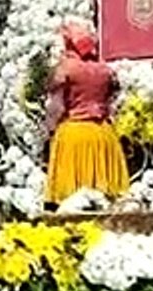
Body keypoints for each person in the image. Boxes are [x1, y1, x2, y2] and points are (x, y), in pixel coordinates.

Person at [44, 23, 130, 205]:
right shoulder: (104, 70)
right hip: (103, 134)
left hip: (74, 136)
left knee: (72, 201)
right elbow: (112, 102)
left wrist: (49, 129)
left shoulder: (65, 69)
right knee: (107, 198)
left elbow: (56, 107)